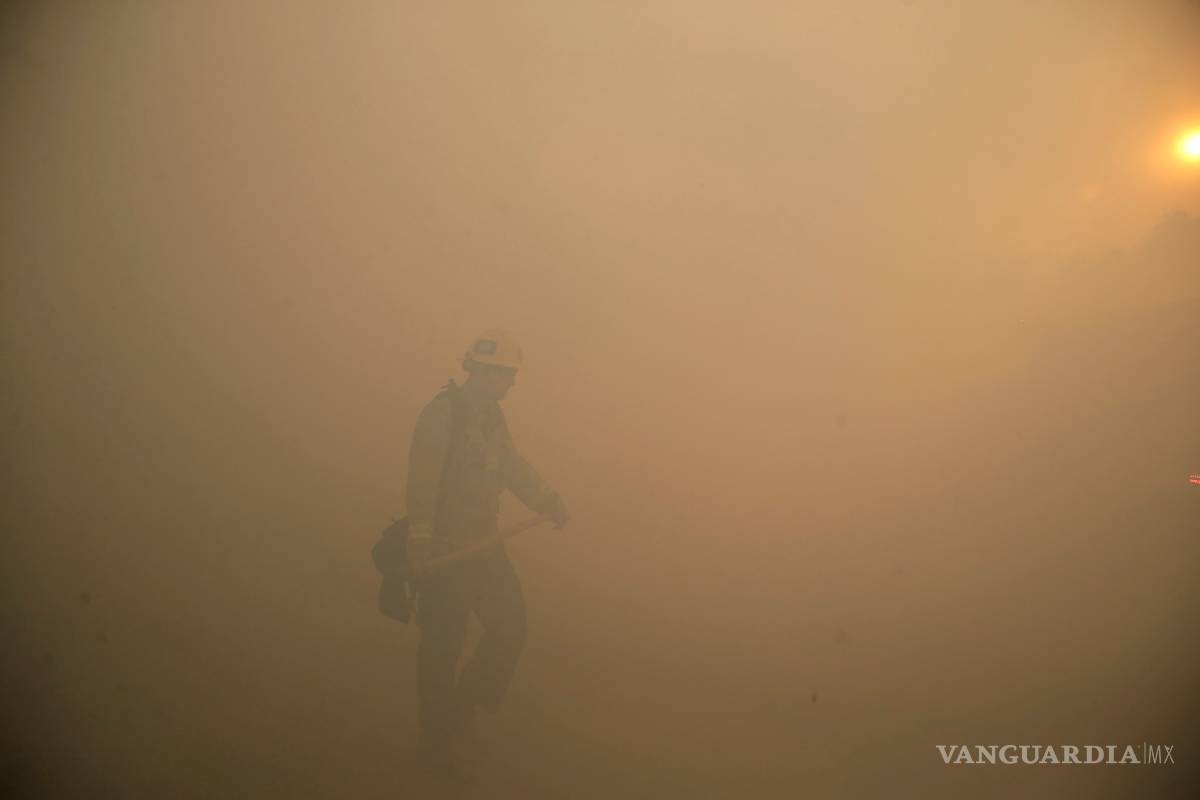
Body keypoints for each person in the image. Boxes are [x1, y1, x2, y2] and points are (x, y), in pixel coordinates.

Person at [404, 329, 569, 778]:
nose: (512, 384)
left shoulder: (493, 419)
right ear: (481, 371)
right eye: (506, 375)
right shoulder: (442, 415)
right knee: (442, 647)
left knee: (511, 627)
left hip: (484, 547)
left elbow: (511, 467)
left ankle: (462, 709)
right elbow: (420, 483)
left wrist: (546, 498)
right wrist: (419, 544)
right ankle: (437, 741)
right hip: (445, 552)